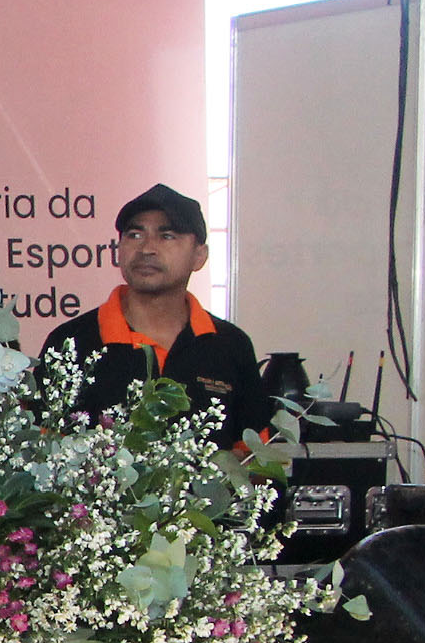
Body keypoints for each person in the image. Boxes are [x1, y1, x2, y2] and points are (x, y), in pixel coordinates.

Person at [41, 183, 271, 449]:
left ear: (200, 256)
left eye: (167, 236)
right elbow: (44, 454)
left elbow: (255, 459)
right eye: (135, 235)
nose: (147, 248)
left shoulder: (230, 345)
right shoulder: (71, 342)